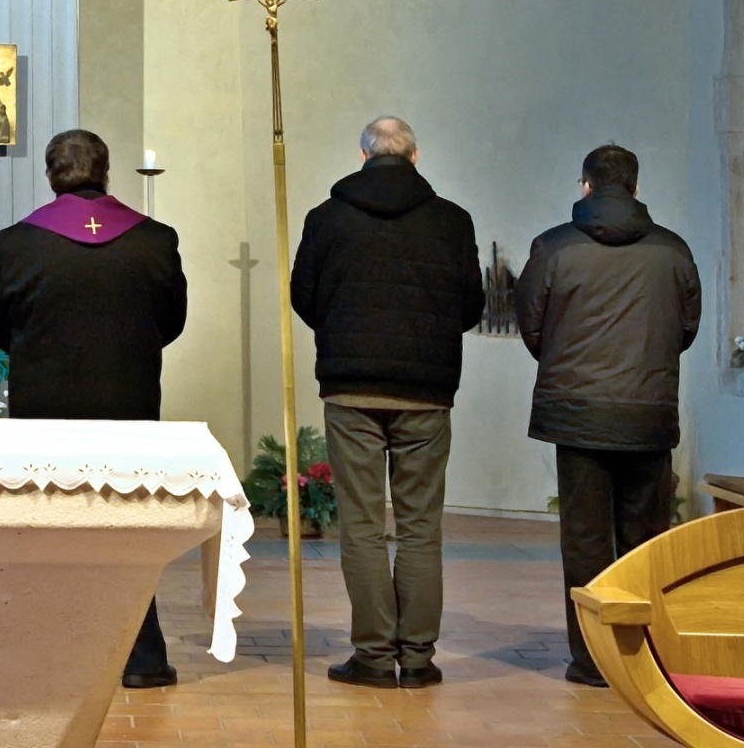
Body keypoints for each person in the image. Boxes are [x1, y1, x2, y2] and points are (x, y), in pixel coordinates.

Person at [0, 129, 187, 688]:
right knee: (129, 524)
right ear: (106, 171)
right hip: (129, 401)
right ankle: (141, 656)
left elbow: (0, 326)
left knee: (49, 523)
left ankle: (50, 651)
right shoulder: (155, 240)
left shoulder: (16, 243)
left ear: (51, 176)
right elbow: (171, 321)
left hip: (44, 407)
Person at [290, 117, 484, 691]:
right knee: (421, 526)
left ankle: (373, 655)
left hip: (351, 387)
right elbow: (471, 304)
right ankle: (418, 658)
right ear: (415, 156)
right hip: (426, 390)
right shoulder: (452, 220)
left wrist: (343, 331)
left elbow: (304, 295)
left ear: (362, 155)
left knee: (363, 524)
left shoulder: (327, 218)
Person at [516, 143, 701, 688]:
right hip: (647, 414)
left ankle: (592, 660)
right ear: (636, 188)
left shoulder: (553, 247)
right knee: (645, 539)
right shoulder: (673, 250)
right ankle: (641, 656)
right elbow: (686, 329)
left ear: (586, 186)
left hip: (577, 415)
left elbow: (533, 327)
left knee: (585, 541)